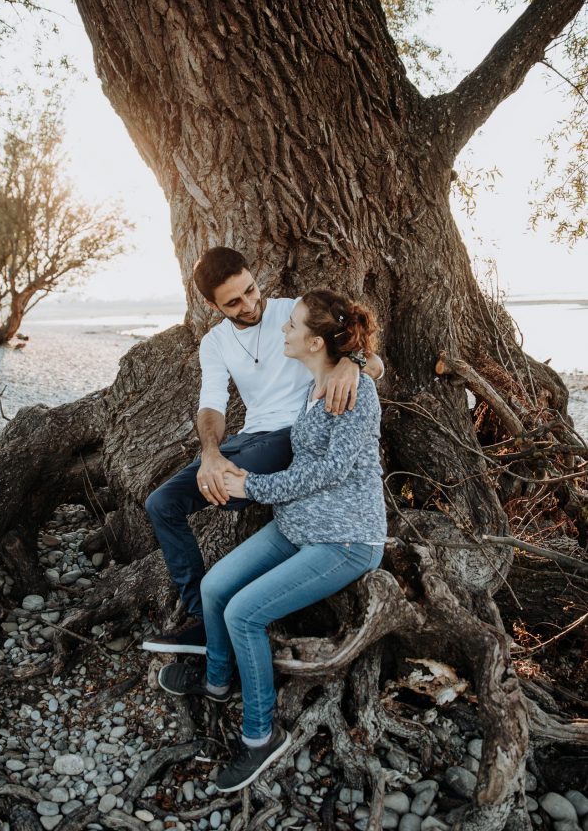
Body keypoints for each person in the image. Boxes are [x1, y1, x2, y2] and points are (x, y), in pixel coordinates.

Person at [157, 289, 387, 792]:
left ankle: (261, 736)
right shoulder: (315, 384)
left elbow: (330, 471)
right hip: (296, 525)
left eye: (292, 325)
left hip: (344, 539)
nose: (283, 329)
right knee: (215, 588)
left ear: (315, 341)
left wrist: (251, 487)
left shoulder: (355, 392)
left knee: (244, 614)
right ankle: (218, 679)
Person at [142, 248, 383, 654]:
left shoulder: (296, 314)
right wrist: (211, 453)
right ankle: (203, 620)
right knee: (161, 503)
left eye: (251, 290)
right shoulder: (215, 343)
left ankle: (228, 621)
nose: (250, 305)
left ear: (253, 276)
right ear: (212, 306)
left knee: (229, 486)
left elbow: (375, 363)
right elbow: (212, 405)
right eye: (233, 302)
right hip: (248, 438)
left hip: (292, 435)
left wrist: (353, 363)